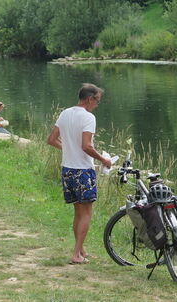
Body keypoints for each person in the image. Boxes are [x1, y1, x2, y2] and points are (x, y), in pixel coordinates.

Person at [47, 83, 112, 265]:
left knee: (78, 212)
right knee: (86, 213)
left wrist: (68, 148)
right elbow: (87, 146)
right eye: (97, 101)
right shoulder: (88, 117)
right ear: (90, 98)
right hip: (83, 171)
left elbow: (51, 140)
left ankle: (81, 250)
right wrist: (103, 160)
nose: (97, 104)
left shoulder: (65, 113)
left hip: (67, 169)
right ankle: (76, 254)